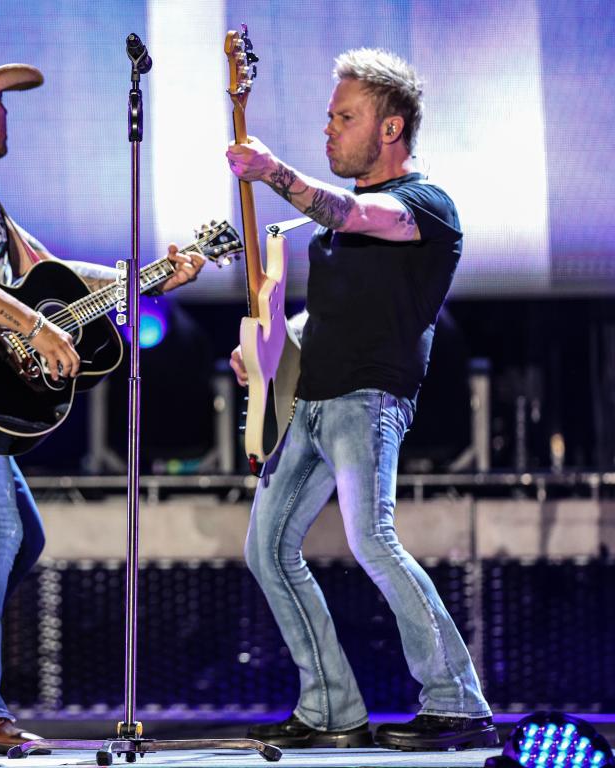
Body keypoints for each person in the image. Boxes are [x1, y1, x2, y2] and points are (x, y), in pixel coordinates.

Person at [0, 42, 203, 754]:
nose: (7, 116)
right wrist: (30, 323)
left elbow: (53, 274)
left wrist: (149, 278)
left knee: (21, 539)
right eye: (1, 103)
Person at [226, 48, 498, 751]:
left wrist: (273, 172)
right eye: (328, 117)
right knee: (267, 549)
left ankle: (458, 701)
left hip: (368, 400)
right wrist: (267, 345)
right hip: (309, 401)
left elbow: (350, 210)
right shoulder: (334, 239)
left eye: (345, 118)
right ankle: (330, 708)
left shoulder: (424, 207)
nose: (330, 130)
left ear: (390, 128)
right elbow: (325, 319)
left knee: (372, 540)